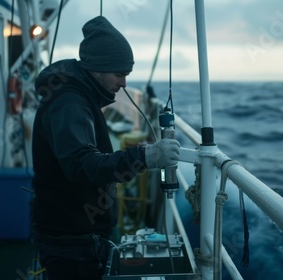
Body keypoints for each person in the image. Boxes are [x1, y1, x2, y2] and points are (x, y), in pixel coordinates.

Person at [31, 16, 180, 280]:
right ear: (97, 68)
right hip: (72, 242)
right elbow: (81, 165)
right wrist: (144, 156)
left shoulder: (78, 96)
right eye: (119, 74)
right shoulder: (70, 104)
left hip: (78, 234)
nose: (124, 84)